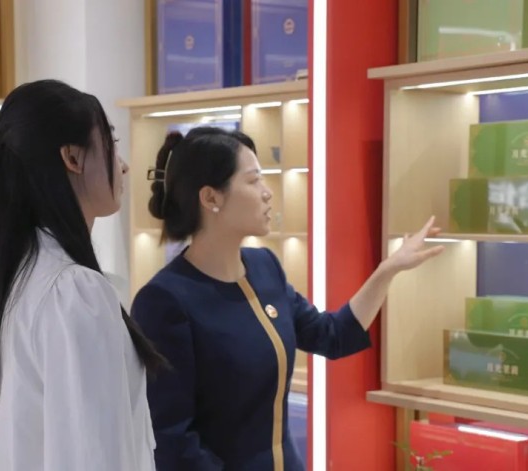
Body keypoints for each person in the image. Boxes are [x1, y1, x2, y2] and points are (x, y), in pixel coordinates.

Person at [131, 127, 444, 470]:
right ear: (210, 198)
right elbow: (173, 440)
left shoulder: (265, 267)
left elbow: (332, 335)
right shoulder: (164, 301)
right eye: (253, 181)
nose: (267, 193)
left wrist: (388, 270)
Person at [0, 79, 166, 471]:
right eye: (111, 142)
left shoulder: (16, 274)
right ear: (72, 157)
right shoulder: (73, 291)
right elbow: (94, 455)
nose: (123, 165)